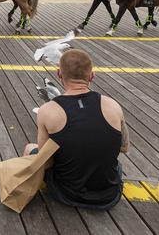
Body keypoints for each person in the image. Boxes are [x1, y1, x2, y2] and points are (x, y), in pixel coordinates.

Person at [24, 49, 129, 210]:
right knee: (115, 165)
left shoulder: (48, 110)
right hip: (109, 195)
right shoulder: (113, 105)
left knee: (30, 149)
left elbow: (45, 161)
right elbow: (124, 147)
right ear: (91, 75)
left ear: (59, 73)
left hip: (67, 193)